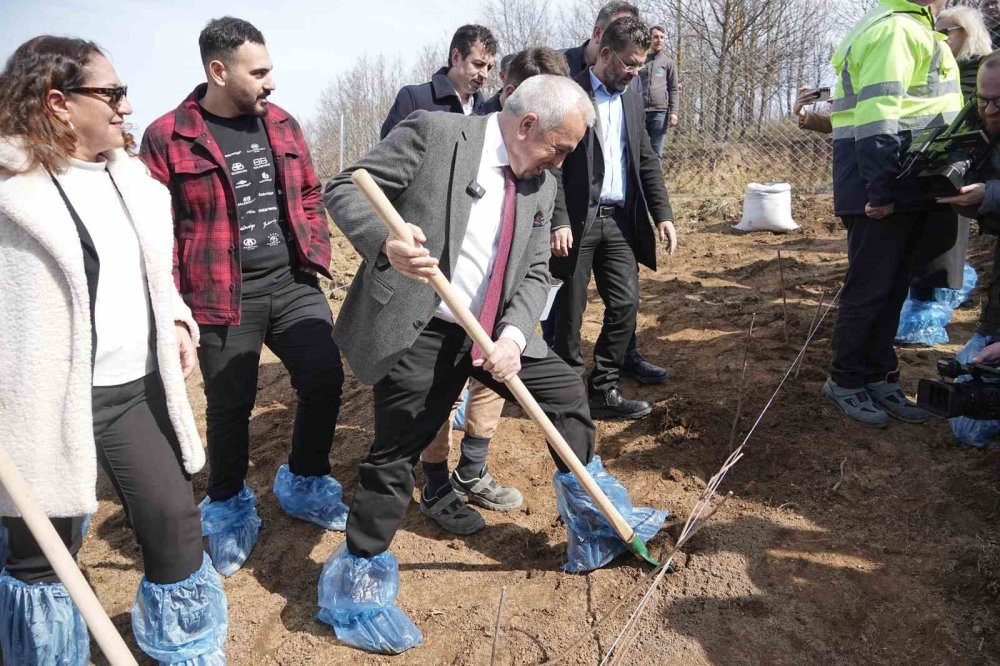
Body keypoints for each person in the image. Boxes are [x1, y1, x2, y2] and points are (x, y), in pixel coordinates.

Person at [318, 75, 666, 654]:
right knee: (396, 451)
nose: (563, 161)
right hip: (425, 324)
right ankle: (358, 583)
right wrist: (388, 243)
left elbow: (533, 272)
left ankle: (594, 517)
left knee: (565, 396)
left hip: (496, 331)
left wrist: (511, 334)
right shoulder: (436, 134)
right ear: (527, 126)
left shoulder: (541, 179)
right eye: (560, 147)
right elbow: (346, 187)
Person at [0, 36, 227, 664]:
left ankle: (185, 650)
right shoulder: (10, 192)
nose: (128, 107)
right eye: (113, 93)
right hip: (37, 404)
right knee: (42, 559)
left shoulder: (135, 183)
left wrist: (177, 320)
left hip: (131, 391)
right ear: (58, 103)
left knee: (175, 527)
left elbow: (157, 278)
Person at [141, 16, 348, 577]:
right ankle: (228, 501)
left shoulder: (281, 123)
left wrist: (317, 254)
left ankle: (305, 477)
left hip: (290, 280)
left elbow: (309, 190)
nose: (271, 81)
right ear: (218, 70)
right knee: (231, 403)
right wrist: (173, 306)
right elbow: (153, 227)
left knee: (324, 374)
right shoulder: (168, 136)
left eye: (270, 69)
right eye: (258, 72)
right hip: (219, 295)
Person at [418, 47, 572, 537]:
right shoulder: (464, 140)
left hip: (502, 295)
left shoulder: (542, 163)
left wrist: (556, 220)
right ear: (514, 99)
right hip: (445, 304)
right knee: (438, 394)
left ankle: (473, 470)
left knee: (494, 378)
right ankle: (436, 481)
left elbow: (550, 186)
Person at [824, 0, 963, 427]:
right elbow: (878, 114)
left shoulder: (911, 27)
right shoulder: (896, 30)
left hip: (907, 181)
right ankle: (845, 380)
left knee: (892, 288)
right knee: (869, 289)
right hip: (882, 182)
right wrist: (880, 188)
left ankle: (879, 376)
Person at [547, 16, 678, 420]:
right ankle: (566, 397)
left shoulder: (632, 96)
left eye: (640, 65)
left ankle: (603, 388)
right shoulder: (569, 95)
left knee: (625, 306)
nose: (635, 72)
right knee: (566, 316)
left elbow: (645, 158)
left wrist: (663, 213)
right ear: (605, 53)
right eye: (629, 63)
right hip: (577, 222)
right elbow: (551, 164)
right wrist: (559, 219)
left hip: (619, 221)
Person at [380, 25, 498, 138]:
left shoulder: (488, 114)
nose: (485, 74)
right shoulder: (413, 99)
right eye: (478, 64)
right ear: (456, 57)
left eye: (489, 67)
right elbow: (388, 156)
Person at [564, 1, 640, 76]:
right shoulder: (559, 66)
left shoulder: (631, 78)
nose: (624, 46)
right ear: (597, 34)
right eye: (619, 37)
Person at [639, 24, 679, 158]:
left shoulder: (668, 63)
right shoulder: (641, 61)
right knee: (640, 151)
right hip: (640, 112)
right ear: (650, 39)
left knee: (656, 153)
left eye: (662, 37)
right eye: (655, 37)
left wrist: (674, 113)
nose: (659, 40)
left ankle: (656, 179)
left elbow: (673, 89)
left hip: (660, 113)